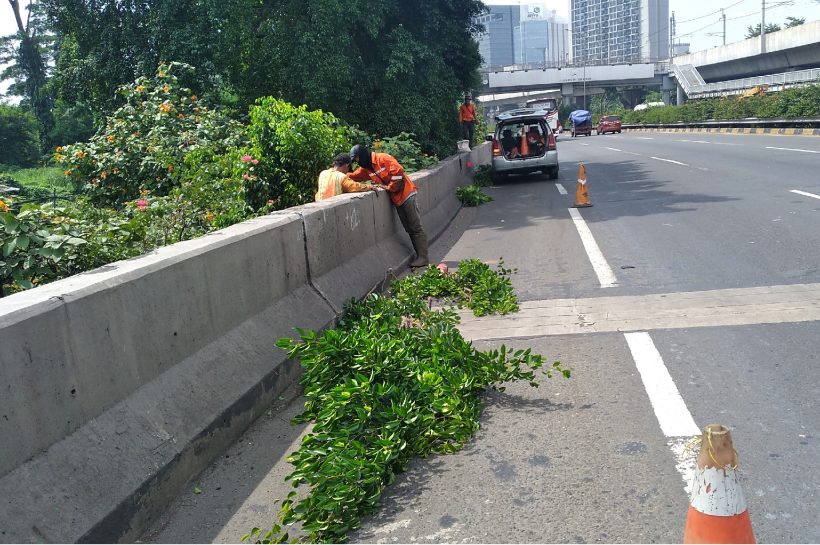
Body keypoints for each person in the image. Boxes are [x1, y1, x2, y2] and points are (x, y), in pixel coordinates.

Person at [349, 144, 429, 268]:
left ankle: (423, 258)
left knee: (415, 226)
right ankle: (419, 256)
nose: (358, 163)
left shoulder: (383, 158)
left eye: (358, 159)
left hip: (407, 194)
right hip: (396, 199)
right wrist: (337, 175)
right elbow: (353, 177)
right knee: (408, 228)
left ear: (363, 155)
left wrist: (389, 187)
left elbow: (399, 174)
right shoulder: (367, 170)